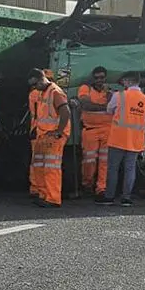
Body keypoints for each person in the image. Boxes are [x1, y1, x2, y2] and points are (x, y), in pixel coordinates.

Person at [97, 71, 145, 207]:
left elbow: (109, 110)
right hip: (135, 140)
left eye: (124, 81)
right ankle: (126, 198)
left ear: (128, 81)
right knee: (130, 169)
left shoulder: (119, 96)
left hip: (118, 138)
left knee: (113, 168)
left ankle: (109, 196)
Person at [27, 68, 71, 208]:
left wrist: (59, 132)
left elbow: (65, 112)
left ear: (42, 79)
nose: (34, 88)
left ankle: (53, 198)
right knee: (39, 165)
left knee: (51, 167)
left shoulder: (55, 92)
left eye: (36, 84)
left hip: (53, 136)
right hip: (43, 134)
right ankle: (43, 194)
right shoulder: (42, 92)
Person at [76, 66, 112, 198]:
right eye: (96, 78)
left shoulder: (109, 92)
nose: (99, 80)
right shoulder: (85, 89)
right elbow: (86, 105)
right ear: (93, 78)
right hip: (90, 130)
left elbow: (112, 105)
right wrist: (104, 107)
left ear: (105, 78)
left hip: (107, 130)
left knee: (105, 161)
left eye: (102, 77)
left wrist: (108, 97)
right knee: (89, 160)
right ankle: (87, 184)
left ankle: (101, 188)